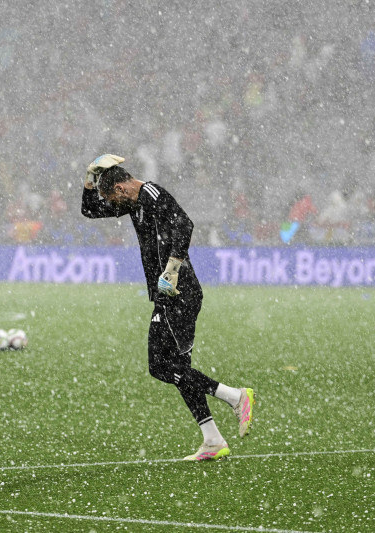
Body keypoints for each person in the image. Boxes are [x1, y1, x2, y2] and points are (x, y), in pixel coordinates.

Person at [81, 154, 255, 461]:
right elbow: (90, 210)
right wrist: (89, 179)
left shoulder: (150, 194)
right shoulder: (131, 202)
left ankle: (235, 396)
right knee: (179, 370)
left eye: (110, 195)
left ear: (121, 189)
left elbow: (184, 223)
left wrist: (172, 267)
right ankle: (213, 439)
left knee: (160, 366)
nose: (111, 203)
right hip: (171, 293)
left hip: (179, 292)